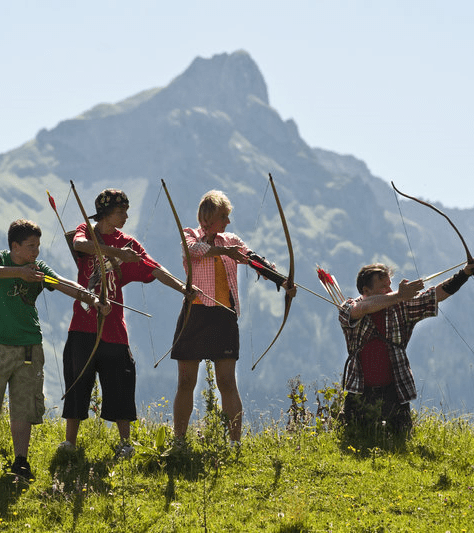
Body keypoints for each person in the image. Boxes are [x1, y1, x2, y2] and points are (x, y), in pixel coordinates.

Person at [0, 219, 108, 479]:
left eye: (38, 246)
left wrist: (93, 298)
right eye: (31, 246)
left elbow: (63, 283)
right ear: (14, 246)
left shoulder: (38, 269)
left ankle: (20, 462)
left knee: (24, 405)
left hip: (30, 347)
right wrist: (18, 273)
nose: (36, 251)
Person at [60, 188, 196, 458]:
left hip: (113, 329)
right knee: (77, 383)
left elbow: (154, 268)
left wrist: (183, 287)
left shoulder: (129, 244)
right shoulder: (87, 232)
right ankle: (69, 444)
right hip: (83, 325)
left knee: (121, 385)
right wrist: (116, 253)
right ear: (105, 213)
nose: (125, 216)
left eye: (126, 211)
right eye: (120, 211)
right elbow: (79, 245)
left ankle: (125, 444)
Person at [171, 190, 297, 447]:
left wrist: (283, 281)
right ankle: (179, 441)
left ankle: (234, 443)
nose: (228, 221)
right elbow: (194, 251)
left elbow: (254, 260)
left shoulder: (232, 240)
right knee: (186, 381)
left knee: (227, 381)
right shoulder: (190, 235)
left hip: (224, 316)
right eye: (223, 216)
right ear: (208, 218)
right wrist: (225, 251)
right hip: (195, 313)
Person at [338, 259, 474, 437]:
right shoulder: (348, 308)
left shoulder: (402, 306)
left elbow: (435, 295)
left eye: (389, 285)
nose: (389, 290)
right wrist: (399, 295)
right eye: (383, 287)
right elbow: (363, 308)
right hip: (360, 391)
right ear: (366, 290)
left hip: (394, 391)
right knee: (354, 437)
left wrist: (465, 274)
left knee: (400, 440)